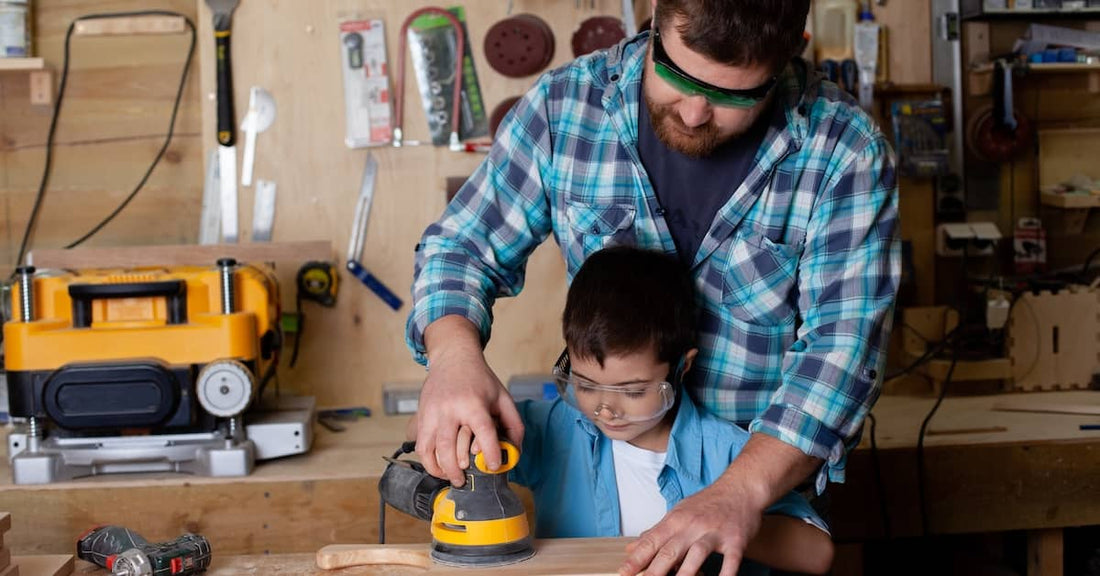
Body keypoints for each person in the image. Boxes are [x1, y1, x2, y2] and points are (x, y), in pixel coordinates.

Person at [406, 0, 900, 574]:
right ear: (654, 18)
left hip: (754, 519)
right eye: (677, 75)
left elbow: (840, 356)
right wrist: (452, 359)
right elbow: (461, 248)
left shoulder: (844, 152)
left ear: (790, 55)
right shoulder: (567, 110)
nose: (693, 114)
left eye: (734, 96)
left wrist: (739, 491)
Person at [407, 246, 834, 575]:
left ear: (681, 367)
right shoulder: (555, 428)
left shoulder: (730, 454)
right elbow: (431, 426)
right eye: (587, 385)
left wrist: (728, 517)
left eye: (632, 391)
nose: (606, 408)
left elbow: (818, 553)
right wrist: (453, 412)